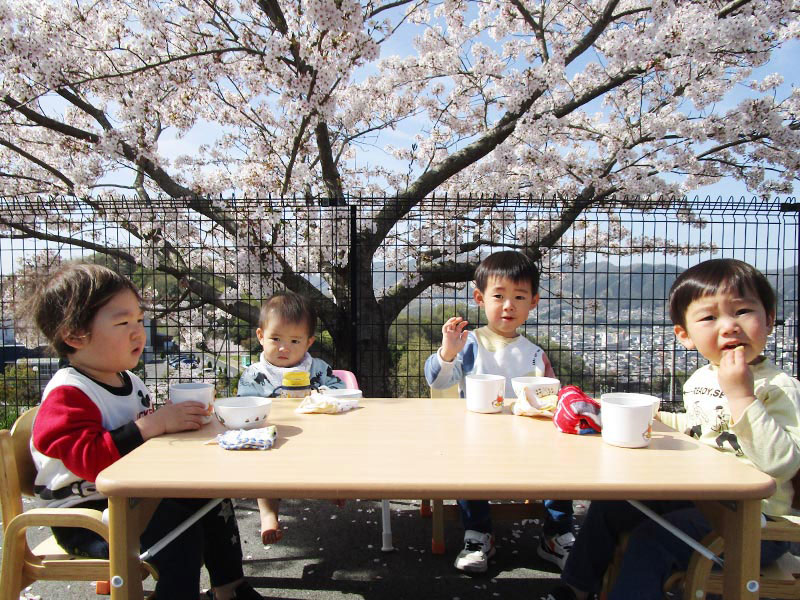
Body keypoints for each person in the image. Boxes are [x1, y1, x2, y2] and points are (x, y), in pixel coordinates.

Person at [542, 258, 800, 600]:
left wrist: (742, 395)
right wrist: (652, 417)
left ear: (768, 320)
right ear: (685, 335)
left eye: (742, 311)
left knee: (652, 539)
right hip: (701, 497)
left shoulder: (779, 386)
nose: (729, 327)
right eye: (709, 317)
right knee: (611, 505)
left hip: (753, 522)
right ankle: (575, 586)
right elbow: (701, 427)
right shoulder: (702, 378)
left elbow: (781, 463)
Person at [24, 262, 264, 600]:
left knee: (210, 496)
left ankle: (229, 587)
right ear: (75, 336)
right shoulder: (69, 393)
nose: (138, 331)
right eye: (123, 322)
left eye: (139, 319)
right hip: (87, 517)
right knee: (181, 526)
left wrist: (183, 425)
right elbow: (90, 460)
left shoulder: (130, 381)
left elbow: (142, 443)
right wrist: (153, 424)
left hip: (131, 499)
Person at [423, 250, 575, 573]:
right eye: (499, 296)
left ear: (533, 302)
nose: (509, 305)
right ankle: (478, 533)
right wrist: (448, 352)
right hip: (477, 441)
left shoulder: (535, 355)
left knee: (561, 464)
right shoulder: (471, 344)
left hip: (528, 443)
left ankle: (556, 533)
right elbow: (437, 380)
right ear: (480, 298)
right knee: (469, 470)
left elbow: (549, 397)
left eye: (519, 296)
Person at [237, 291, 344, 545]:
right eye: (276, 339)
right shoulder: (255, 375)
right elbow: (245, 407)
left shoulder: (316, 369)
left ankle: (334, 487)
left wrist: (321, 395)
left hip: (315, 436)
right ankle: (268, 514)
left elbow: (339, 390)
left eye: (295, 341)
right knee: (263, 471)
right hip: (273, 440)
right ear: (261, 337)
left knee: (336, 447)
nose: (284, 348)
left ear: (309, 342)